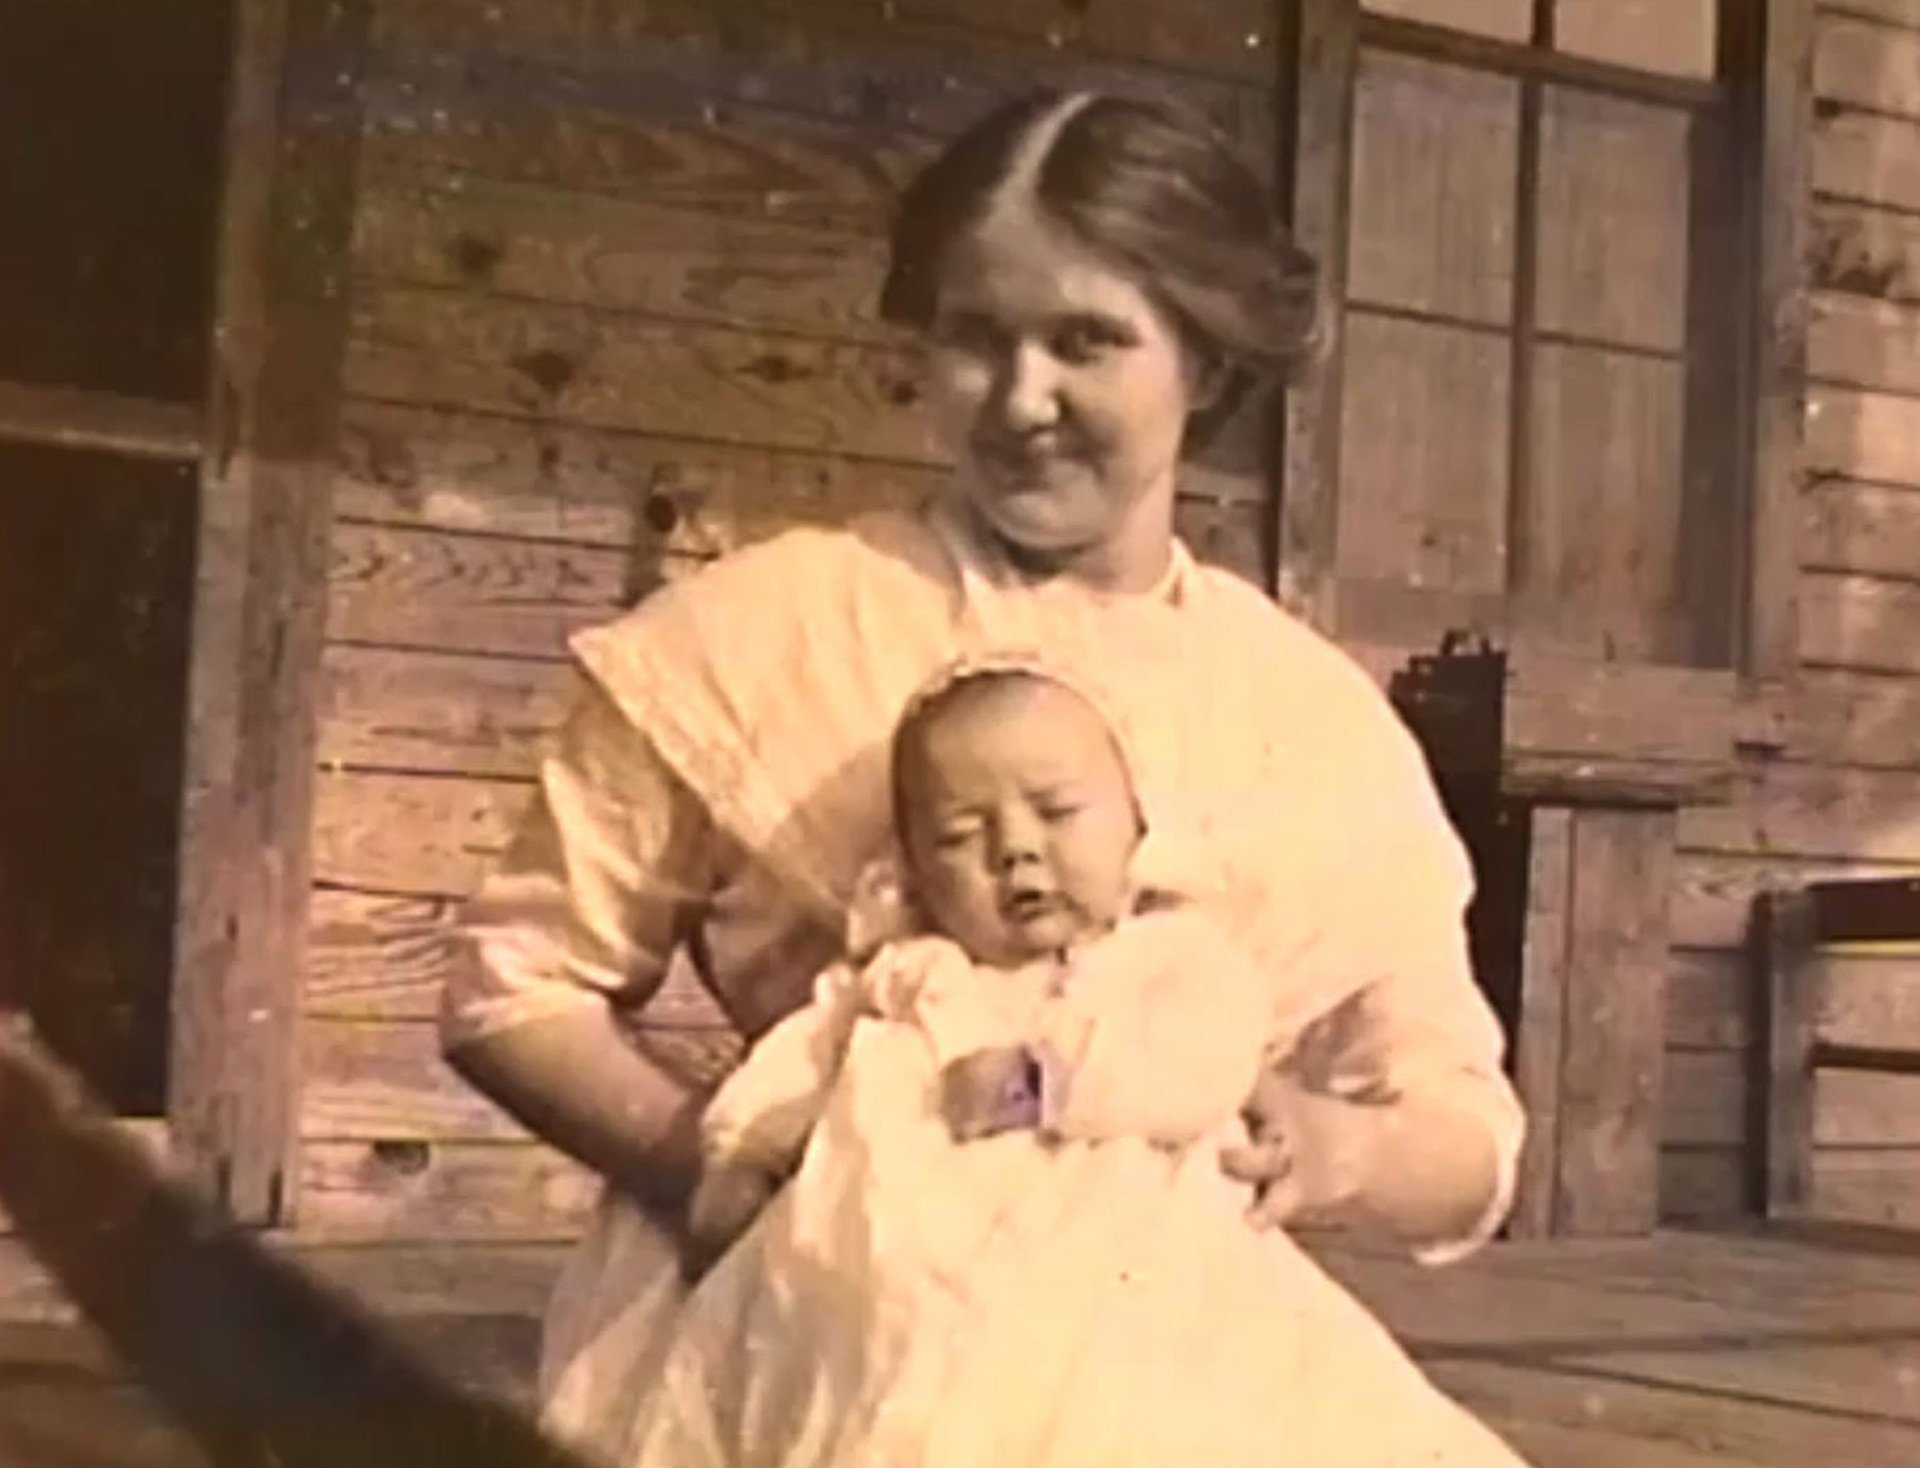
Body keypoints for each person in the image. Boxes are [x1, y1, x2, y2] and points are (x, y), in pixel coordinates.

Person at [440, 87, 1526, 1466]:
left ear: (1211, 361)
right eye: (974, 338)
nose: (1023, 402)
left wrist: (1340, 1144)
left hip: (1168, 1357)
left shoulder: (1312, 717)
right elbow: (514, 986)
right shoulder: (765, 631)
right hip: (816, 1332)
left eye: (1087, 342)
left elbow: (1463, 1133)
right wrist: (697, 1160)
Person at [615, 655, 1529, 1466]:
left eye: (1054, 811)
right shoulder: (905, 977)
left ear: (1136, 827)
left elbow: (1200, 1062)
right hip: (888, 1280)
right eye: (962, 835)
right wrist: (742, 1153)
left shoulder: (1155, 959)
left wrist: (1047, 1084)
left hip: (1108, 1268)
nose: (1016, 849)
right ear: (914, 872)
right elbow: (797, 1065)